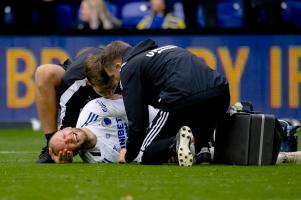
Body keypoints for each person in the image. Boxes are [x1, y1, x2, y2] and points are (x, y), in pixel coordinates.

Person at [86, 39, 230, 165]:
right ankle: (203, 148)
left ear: (118, 66)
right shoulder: (165, 50)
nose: (117, 82)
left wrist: (129, 154)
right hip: (220, 94)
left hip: (183, 100)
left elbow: (137, 121)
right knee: (195, 129)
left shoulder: (128, 68)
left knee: (145, 153)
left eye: (114, 77)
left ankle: (176, 144)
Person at [35, 47, 106, 163]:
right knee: (44, 73)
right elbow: (67, 127)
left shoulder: (124, 71)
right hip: (82, 78)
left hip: (108, 70)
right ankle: (49, 145)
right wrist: (60, 149)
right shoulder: (74, 82)